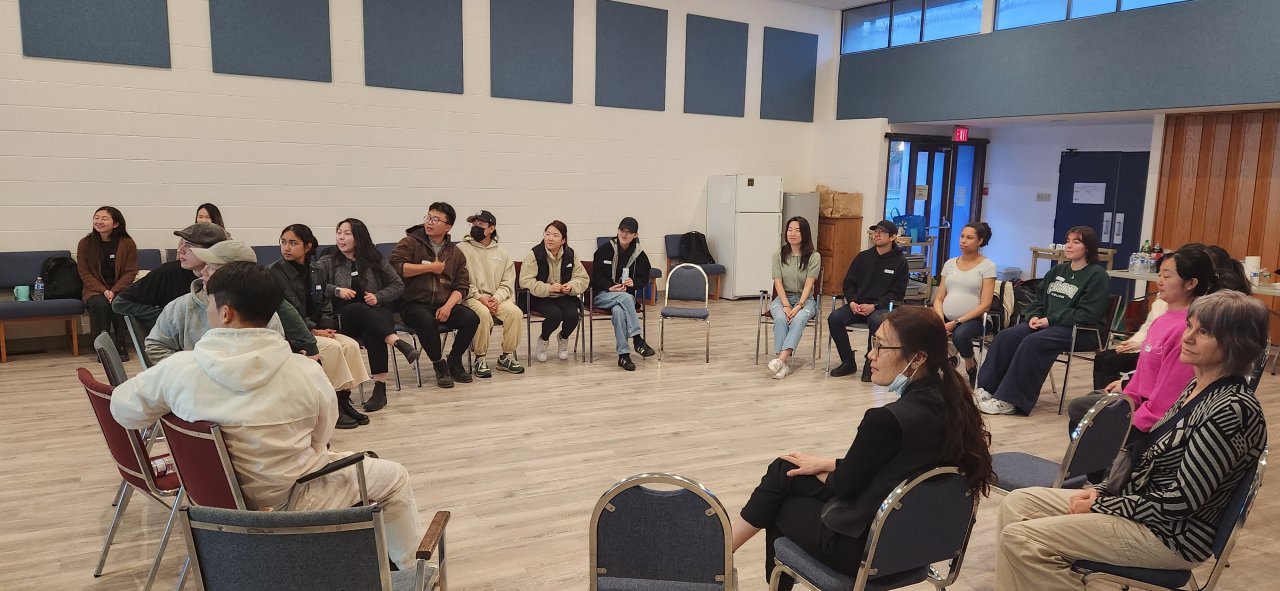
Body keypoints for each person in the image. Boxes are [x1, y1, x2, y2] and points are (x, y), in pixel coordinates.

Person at [110, 261, 425, 571]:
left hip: (212, 504)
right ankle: (409, 573)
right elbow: (320, 440)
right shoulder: (306, 372)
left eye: (210, 302)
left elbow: (123, 411)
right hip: (292, 500)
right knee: (395, 476)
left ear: (226, 312)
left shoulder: (177, 370)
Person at [995, 290, 1269, 591]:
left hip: (1171, 535)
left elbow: (1180, 502)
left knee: (1021, 539)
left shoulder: (1231, 410)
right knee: (1018, 502)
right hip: (1145, 512)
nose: (1188, 337)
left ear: (1237, 344)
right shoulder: (1197, 387)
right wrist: (1100, 492)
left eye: (1203, 332)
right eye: (1190, 326)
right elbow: (1146, 463)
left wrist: (1104, 505)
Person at [730, 306, 995, 589]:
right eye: (873, 343)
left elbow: (845, 487)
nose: (870, 354)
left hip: (866, 550)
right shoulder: (955, 407)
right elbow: (895, 467)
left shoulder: (886, 420)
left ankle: (720, 554)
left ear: (917, 358)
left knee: (780, 501)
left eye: (881, 346)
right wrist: (829, 463)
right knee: (786, 469)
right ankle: (722, 550)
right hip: (919, 544)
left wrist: (833, 470)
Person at [1066, 247, 1217, 436]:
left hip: (1153, 418)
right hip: (1138, 402)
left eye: (1167, 276)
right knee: (1088, 404)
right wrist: (1126, 392)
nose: (1159, 282)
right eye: (1159, 275)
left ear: (1190, 283)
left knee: (1081, 411)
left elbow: (1168, 396)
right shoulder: (1163, 319)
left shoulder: (1186, 329)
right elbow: (1143, 373)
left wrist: (1135, 419)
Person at [974, 226, 1109, 416]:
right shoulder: (1058, 271)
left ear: (1088, 247)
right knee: (1006, 337)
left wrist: (1050, 320)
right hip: (1047, 325)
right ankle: (987, 389)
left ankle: (1011, 401)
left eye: (1076, 242)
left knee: (1033, 342)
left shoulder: (1097, 276)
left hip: (1081, 330)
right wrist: (1034, 316)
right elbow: (1038, 300)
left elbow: (1088, 313)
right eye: (1068, 241)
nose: (1069, 246)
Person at [269, 224, 373, 429]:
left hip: (317, 330)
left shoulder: (316, 270)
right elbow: (287, 313)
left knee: (350, 345)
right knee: (333, 348)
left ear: (307, 247)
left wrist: (327, 327)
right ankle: (331, 406)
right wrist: (314, 330)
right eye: (283, 242)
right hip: (293, 334)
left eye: (293, 243)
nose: (286, 248)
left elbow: (325, 303)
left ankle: (343, 399)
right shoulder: (274, 273)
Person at [145, 241, 319, 364]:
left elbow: (272, 355)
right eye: (205, 264)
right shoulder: (181, 306)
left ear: (235, 274)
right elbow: (155, 345)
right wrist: (192, 370)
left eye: (212, 267)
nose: (203, 271)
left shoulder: (266, 314)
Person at [316, 218, 418, 410]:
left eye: (347, 234)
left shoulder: (374, 259)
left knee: (374, 328)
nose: (341, 237)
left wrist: (378, 296)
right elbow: (315, 285)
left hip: (374, 315)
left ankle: (380, 389)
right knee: (360, 309)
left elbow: (397, 285)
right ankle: (397, 342)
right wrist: (337, 290)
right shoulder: (328, 260)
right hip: (344, 317)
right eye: (339, 232)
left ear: (359, 238)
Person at [390, 203, 480, 389]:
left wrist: (448, 306)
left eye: (436, 219)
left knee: (471, 318)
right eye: (428, 217)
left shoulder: (455, 253)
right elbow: (395, 268)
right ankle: (439, 365)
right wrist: (430, 268)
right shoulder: (410, 242)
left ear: (448, 227)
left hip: (442, 303)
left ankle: (454, 360)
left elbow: (462, 285)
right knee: (426, 320)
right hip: (413, 304)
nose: (429, 222)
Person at [827, 220, 909, 382]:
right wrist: (852, 301)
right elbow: (849, 283)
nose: (876, 235)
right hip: (858, 305)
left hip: (881, 307)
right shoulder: (863, 257)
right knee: (834, 318)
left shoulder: (900, 262)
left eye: (881, 232)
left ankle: (870, 362)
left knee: (877, 320)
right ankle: (848, 361)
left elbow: (897, 293)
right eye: (875, 231)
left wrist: (875, 306)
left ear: (892, 237)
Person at [113, 223, 227, 332]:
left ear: (211, 250)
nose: (180, 250)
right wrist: (167, 318)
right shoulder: (168, 272)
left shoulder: (227, 276)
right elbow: (120, 302)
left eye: (189, 246)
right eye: (181, 243)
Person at [457, 210, 524, 378]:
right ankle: (480, 358)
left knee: (515, 312)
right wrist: (480, 297)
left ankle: (506, 357)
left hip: (496, 298)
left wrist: (496, 298)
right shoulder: (461, 249)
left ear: (491, 228)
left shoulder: (503, 253)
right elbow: (460, 280)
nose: (475, 226)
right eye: (474, 223)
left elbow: (507, 282)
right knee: (483, 313)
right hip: (471, 297)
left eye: (480, 224)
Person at [932, 222, 996, 387]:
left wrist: (956, 322)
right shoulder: (950, 264)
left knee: (960, 335)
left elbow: (985, 305)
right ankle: (939, 368)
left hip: (975, 320)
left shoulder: (987, 266)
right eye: (962, 236)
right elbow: (939, 298)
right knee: (924, 328)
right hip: (946, 318)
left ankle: (970, 364)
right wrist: (940, 320)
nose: (963, 241)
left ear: (980, 241)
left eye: (969, 238)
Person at [589, 217, 657, 371]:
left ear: (635, 235)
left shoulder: (640, 255)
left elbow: (644, 278)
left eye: (629, 232)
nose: (624, 234)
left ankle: (623, 356)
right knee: (626, 298)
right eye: (622, 230)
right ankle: (637, 339)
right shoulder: (604, 250)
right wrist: (610, 287)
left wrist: (634, 282)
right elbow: (596, 277)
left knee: (619, 312)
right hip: (602, 296)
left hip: (624, 300)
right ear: (618, 231)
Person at [519, 221, 590, 364]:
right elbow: (525, 281)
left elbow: (582, 278)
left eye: (555, 235)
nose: (550, 238)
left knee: (573, 315)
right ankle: (543, 339)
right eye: (547, 234)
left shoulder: (571, 254)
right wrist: (548, 288)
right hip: (539, 296)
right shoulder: (534, 254)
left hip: (563, 295)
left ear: (563, 240)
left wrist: (571, 286)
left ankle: (563, 337)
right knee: (555, 315)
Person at [76, 206, 138, 359]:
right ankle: (102, 348)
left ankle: (120, 345)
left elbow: (130, 272)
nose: (99, 221)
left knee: (120, 302)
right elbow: (84, 273)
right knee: (100, 305)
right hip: (94, 290)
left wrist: (114, 290)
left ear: (115, 224)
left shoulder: (127, 243)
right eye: (96, 218)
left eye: (104, 218)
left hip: (120, 288)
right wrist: (104, 291)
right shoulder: (85, 243)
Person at [766, 216, 820, 379]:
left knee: (799, 318)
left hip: (806, 300)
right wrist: (786, 305)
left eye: (797, 230)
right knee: (781, 318)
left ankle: (780, 360)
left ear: (805, 233)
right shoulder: (778, 254)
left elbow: (809, 285)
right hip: (783, 298)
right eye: (790, 230)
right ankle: (782, 364)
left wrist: (798, 306)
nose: (792, 234)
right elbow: (778, 283)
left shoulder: (814, 256)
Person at [1089, 299, 1167, 390]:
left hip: (1156, 353)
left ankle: (1112, 397)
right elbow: (1145, 329)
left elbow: (1167, 340)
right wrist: (1131, 343)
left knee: (1110, 361)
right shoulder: (1159, 304)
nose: (1160, 290)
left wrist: (1142, 345)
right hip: (1145, 345)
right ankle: (1099, 396)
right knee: (1100, 357)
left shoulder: (1177, 312)